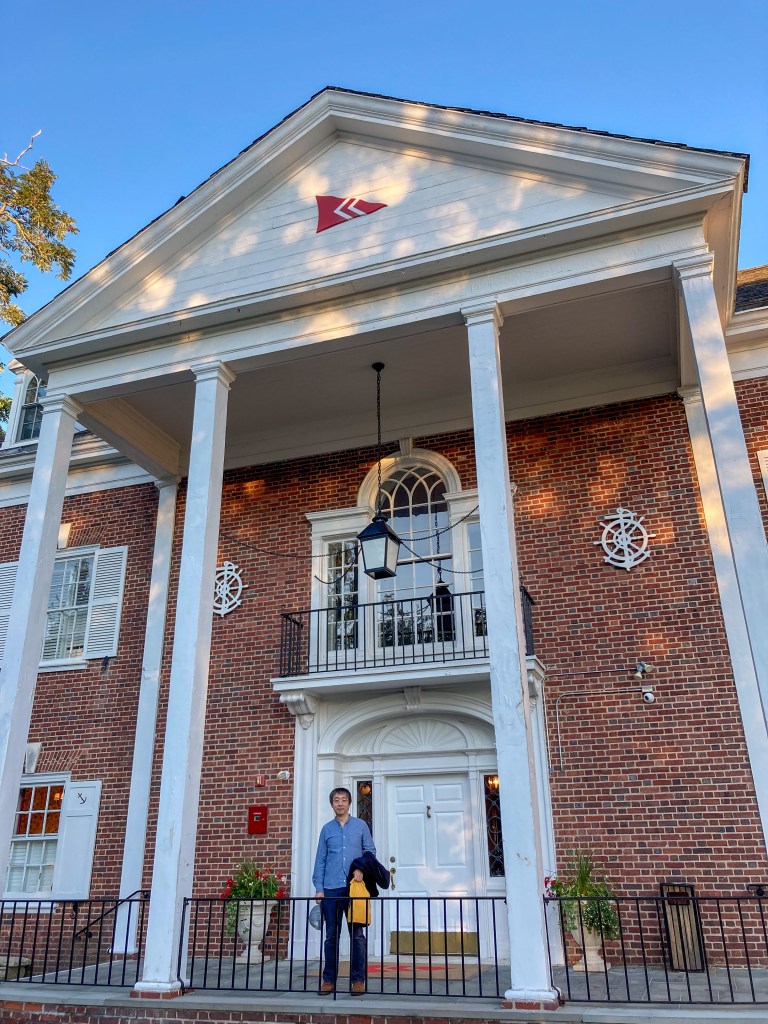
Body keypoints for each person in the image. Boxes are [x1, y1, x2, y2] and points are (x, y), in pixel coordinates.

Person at [312, 787, 375, 995]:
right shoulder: (326, 830)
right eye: (336, 800)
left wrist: (361, 869)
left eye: (344, 800)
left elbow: (370, 851)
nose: (340, 803)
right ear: (332, 804)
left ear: (349, 803)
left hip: (354, 889)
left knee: (357, 936)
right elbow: (320, 860)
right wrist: (319, 888)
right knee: (331, 936)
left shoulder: (361, 826)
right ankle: (328, 980)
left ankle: (358, 980)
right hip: (331, 890)